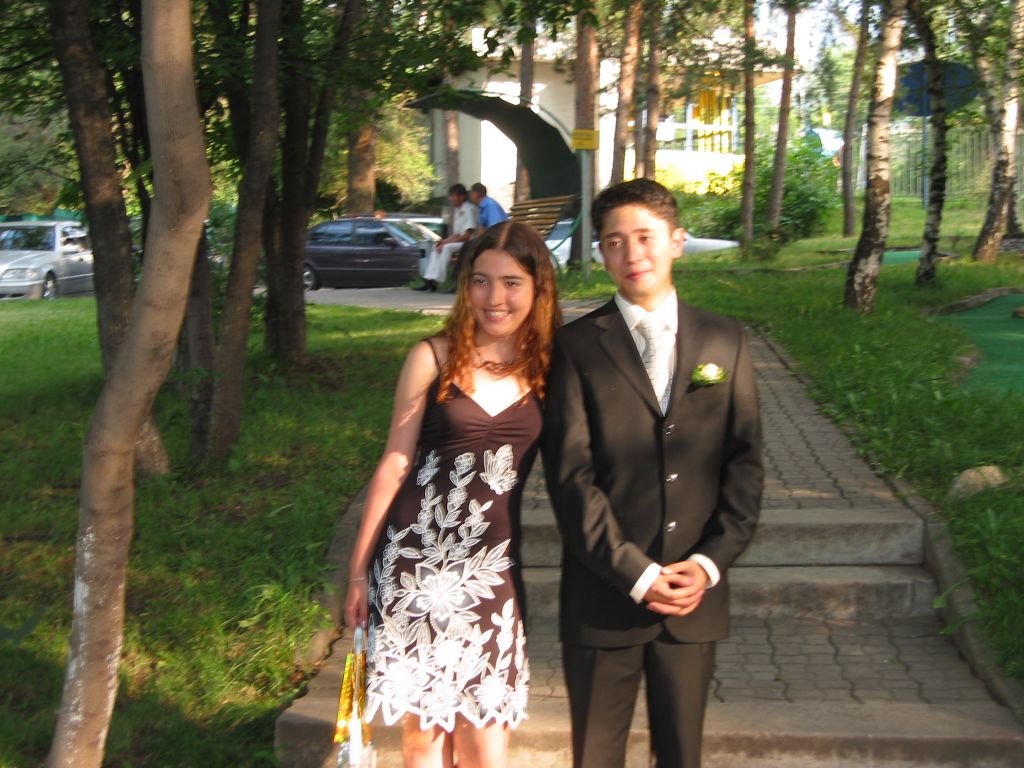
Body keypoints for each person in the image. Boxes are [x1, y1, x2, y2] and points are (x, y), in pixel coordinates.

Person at [542, 179, 763, 768]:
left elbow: (744, 464)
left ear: (677, 241)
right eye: (614, 242)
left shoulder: (726, 339)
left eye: (645, 237)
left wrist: (710, 562)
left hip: (693, 597)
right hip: (603, 593)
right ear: (600, 252)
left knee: (681, 754)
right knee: (596, 755)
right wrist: (635, 573)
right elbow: (570, 477)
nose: (632, 253)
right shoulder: (576, 347)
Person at [345, 221, 562, 768]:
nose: (494, 298)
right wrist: (357, 572)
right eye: (481, 281)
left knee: (484, 745)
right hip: (413, 566)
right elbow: (396, 463)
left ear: (537, 288)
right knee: (422, 743)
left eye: (511, 282)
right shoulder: (432, 357)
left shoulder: (550, 368)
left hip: (491, 573)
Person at [417, 183, 479, 292]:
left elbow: (467, 235)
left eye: (453, 196)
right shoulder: (457, 210)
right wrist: (443, 241)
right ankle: (429, 279)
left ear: (461, 197)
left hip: (470, 242)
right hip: (461, 241)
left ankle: (437, 279)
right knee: (437, 246)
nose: (450, 199)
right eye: (450, 196)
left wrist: (446, 244)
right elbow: (456, 234)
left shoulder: (469, 209)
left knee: (446, 248)